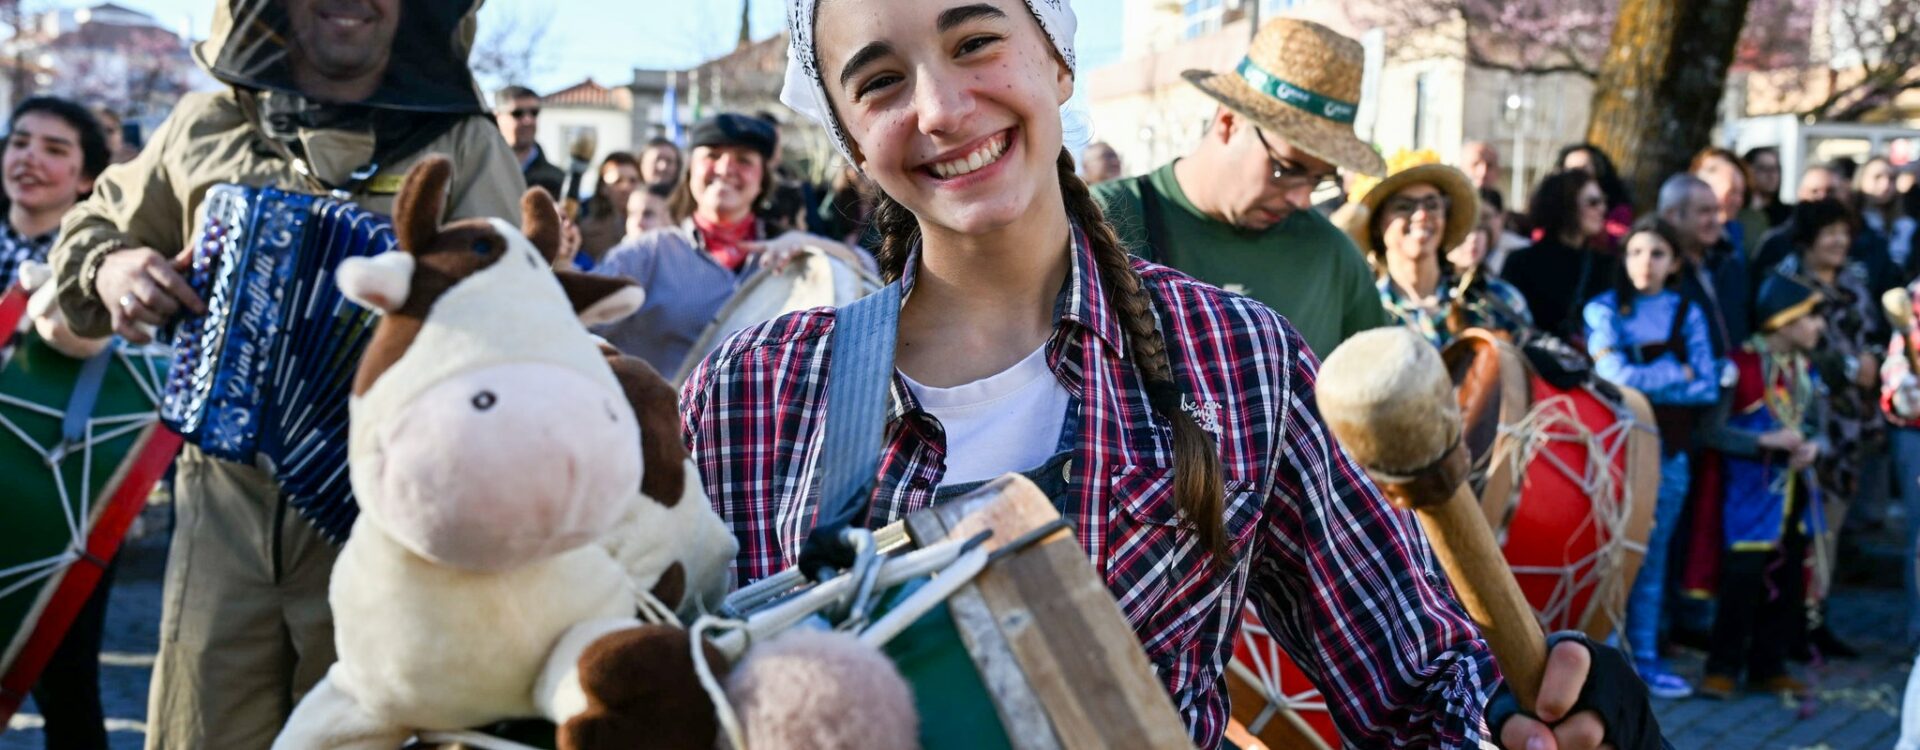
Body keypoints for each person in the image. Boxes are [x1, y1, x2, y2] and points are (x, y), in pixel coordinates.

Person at [703, 3, 1667, 748]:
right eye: (878, 81)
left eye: (974, 42)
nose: (941, 108)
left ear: (1056, 53)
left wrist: (1520, 710)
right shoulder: (750, 396)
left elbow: (1415, 684)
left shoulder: (1238, 359)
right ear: (844, 132)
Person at [45, 3, 525, 746]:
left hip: (384, 533)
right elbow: (90, 226)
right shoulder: (205, 123)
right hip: (219, 515)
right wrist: (114, 267)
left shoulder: (464, 142)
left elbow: (517, 328)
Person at [1093, 19, 1389, 359]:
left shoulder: (1333, 258)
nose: (1304, 199)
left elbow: (1388, 395)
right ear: (1229, 122)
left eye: (1321, 179)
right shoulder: (1106, 219)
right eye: (1288, 169)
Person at [3, 96, 115, 750]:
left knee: (65, 678)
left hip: (69, 489)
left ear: (84, 178)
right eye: (20, 142)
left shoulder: (106, 264)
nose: (30, 159)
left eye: (54, 149)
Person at [591, 112, 862, 374]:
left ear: (762, 180)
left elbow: (865, 271)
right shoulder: (647, 253)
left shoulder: (790, 253)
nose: (724, 169)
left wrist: (803, 240)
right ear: (689, 171)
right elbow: (575, 325)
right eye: (712, 156)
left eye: (743, 160)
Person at [1583, 218, 1722, 700]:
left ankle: (1645, 659)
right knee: (1603, 555)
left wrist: (1648, 373)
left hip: (1670, 456)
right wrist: (1673, 370)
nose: (1646, 262)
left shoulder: (1688, 312)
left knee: (1653, 558)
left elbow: (1707, 382)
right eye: (1636, 251)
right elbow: (1611, 373)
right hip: (1608, 456)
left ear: (1675, 262)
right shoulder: (1603, 309)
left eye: (1658, 253)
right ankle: (1594, 662)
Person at [1694, 272, 1828, 701]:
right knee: (1742, 583)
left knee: (1787, 579)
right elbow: (1711, 432)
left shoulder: (1804, 371)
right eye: (1810, 317)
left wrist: (1813, 448)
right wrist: (1763, 441)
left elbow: (1817, 430)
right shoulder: (1739, 366)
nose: (1818, 326)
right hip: (1745, 497)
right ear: (1784, 320)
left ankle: (1769, 665)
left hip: (1791, 494)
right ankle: (1722, 666)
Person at [1778, 198, 1879, 661]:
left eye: (1845, 231)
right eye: (1829, 231)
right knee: (1791, 531)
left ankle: (1816, 620)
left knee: (1829, 530)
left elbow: (1873, 341)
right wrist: (1844, 365)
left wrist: (1874, 365)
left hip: (1848, 427)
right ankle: (1787, 625)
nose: (1838, 240)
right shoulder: (1787, 284)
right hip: (1795, 421)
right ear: (1808, 237)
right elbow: (1779, 345)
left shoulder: (1857, 285)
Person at [1340, 149, 1530, 347]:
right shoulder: (1361, 311)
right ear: (1377, 225)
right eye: (1404, 206)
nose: (1422, 215)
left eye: (1432, 205)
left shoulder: (1495, 301)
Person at [1501, 170, 1616, 345]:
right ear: (1566, 205)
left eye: (1603, 201)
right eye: (1593, 202)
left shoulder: (1605, 265)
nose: (1602, 209)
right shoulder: (1522, 263)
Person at [1753, 164, 1899, 299]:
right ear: (1800, 193)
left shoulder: (1870, 241)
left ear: (1844, 194)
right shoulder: (1776, 242)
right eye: (1814, 191)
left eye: (1830, 191)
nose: (1822, 198)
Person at [1657, 174, 1751, 357]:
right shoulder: (1655, 271)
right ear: (1671, 215)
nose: (1716, 220)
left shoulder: (1729, 265)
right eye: (1704, 212)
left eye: (1716, 211)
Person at [1691, 147, 1768, 259]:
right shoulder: (1682, 234)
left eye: (1741, 193)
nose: (1738, 201)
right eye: (1732, 192)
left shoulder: (1734, 232)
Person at [1555, 143, 1634, 251]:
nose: (1576, 174)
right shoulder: (1554, 202)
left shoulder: (1617, 206)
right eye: (1570, 169)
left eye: (1583, 168)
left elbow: (1621, 237)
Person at [494, 84, 564, 197]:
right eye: (517, 113)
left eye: (534, 112)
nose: (528, 120)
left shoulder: (558, 179)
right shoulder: (478, 173)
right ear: (497, 118)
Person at [576, 150, 641, 264]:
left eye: (633, 181)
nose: (625, 187)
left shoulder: (653, 226)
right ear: (603, 188)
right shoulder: (584, 232)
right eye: (618, 181)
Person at [1858, 157, 1917, 275]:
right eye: (1877, 177)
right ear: (1861, 180)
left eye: (1891, 179)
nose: (1885, 185)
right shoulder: (1853, 223)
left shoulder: (1908, 226)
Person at [1744, 146, 1791, 228]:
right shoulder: (1736, 211)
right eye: (1763, 168)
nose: (1771, 175)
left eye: (1775, 168)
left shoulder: (1789, 216)